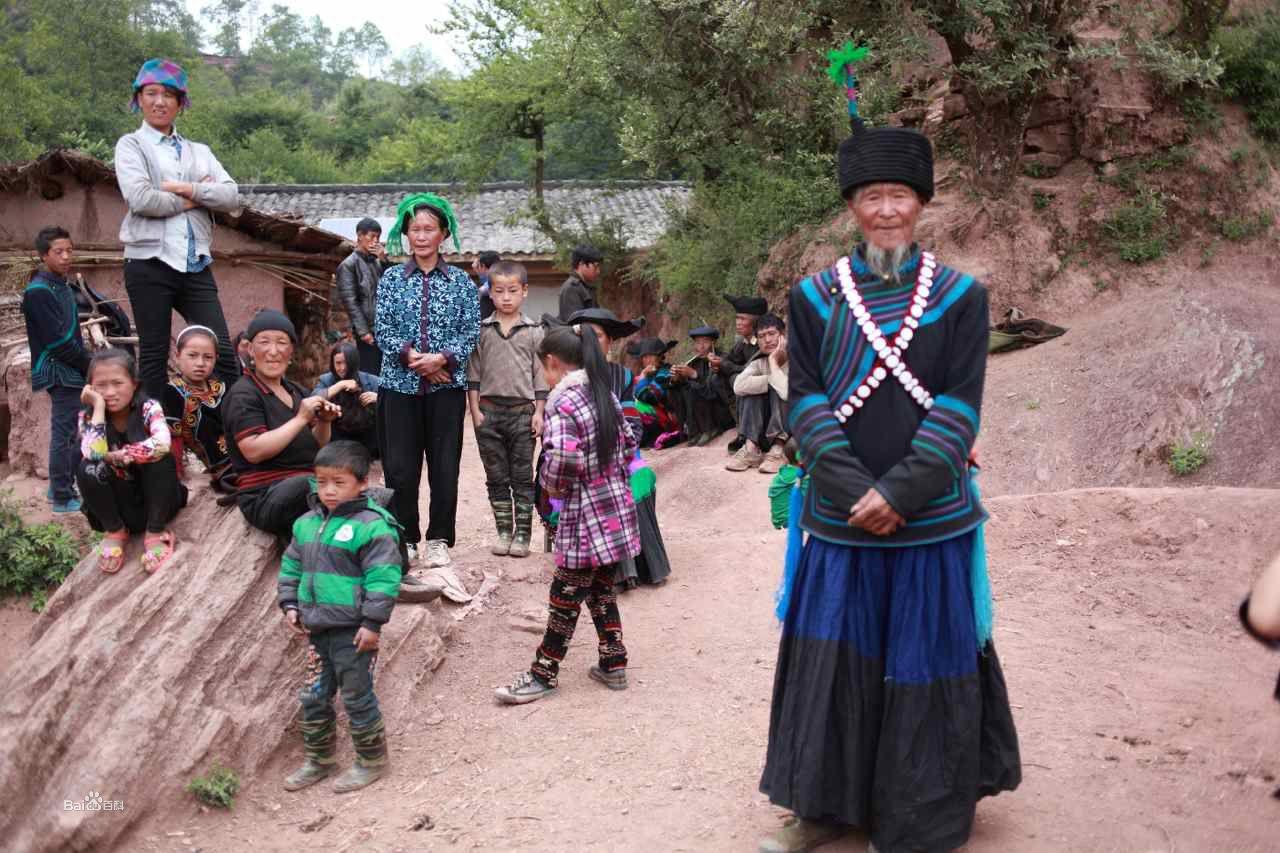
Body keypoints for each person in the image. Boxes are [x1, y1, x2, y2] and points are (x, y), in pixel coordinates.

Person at [757, 45, 1020, 853]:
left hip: (930, 514)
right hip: (840, 516)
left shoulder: (962, 297)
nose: (886, 210)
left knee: (924, 658)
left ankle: (921, 816)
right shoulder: (813, 297)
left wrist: (899, 491)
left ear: (921, 203)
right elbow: (805, 401)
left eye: (899, 195)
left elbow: (960, 407)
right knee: (833, 662)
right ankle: (823, 805)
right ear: (852, 206)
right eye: (871, 196)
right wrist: (850, 489)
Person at [495, 325, 639, 704]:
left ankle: (543, 673)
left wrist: (552, 486)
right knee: (601, 588)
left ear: (552, 362)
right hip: (614, 508)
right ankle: (614, 662)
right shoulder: (604, 394)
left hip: (584, 515)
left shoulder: (563, 403)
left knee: (565, 594)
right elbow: (630, 444)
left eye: (543, 368)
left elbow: (562, 457)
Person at [279, 441, 402, 794]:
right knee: (314, 695)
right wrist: (290, 603)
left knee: (356, 695)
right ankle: (320, 759)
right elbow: (291, 566)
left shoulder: (372, 526)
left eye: (339, 482)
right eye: (322, 482)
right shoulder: (306, 524)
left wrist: (372, 623)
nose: (329, 490)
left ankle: (372, 761)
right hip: (317, 629)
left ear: (362, 483)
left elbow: (383, 578)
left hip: (354, 633)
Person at [115, 59, 240, 401]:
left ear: (180, 103)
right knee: (154, 355)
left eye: (168, 95)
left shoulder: (199, 151)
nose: (160, 102)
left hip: (194, 262)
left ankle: (234, 426)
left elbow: (231, 196)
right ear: (138, 99)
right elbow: (142, 199)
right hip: (148, 262)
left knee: (222, 353)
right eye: (151, 93)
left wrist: (185, 189)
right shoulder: (131, 145)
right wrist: (197, 198)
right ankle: (157, 431)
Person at [374, 193, 480, 569]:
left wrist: (442, 360)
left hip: (446, 390)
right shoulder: (390, 279)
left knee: (444, 466)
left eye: (429, 229)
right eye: (414, 229)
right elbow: (383, 329)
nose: (421, 236)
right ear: (406, 234)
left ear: (443, 233)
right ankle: (405, 538)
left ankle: (438, 539)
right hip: (398, 388)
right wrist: (416, 360)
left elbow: (470, 331)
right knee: (399, 468)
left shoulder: (461, 282)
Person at [554, 308, 672, 589]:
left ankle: (644, 567)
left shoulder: (623, 376)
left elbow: (633, 424)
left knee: (638, 478)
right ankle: (615, 571)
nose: (590, 342)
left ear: (610, 341)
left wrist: (616, 453)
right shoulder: (566, 376)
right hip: (579, 459)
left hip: (621, 455)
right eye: (584, 336)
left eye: (597, 335)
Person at [222, 310, 340, 541]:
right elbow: (254, 451)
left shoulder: (295, 391)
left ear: (291, 351)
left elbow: (316, 444)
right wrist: (300, 419)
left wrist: (325, 421)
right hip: (265, 494)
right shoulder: (243, 394)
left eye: (282, 342)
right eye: (264, 342)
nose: (273, 351)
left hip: (305, 483)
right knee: (312, 487)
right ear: (250, 349)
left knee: (373, 494)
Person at [76, 348, 187, 574]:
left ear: (134, 384)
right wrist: (98, 407)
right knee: (88, 467)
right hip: (122, 506)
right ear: (91, 389)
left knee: (161, 459)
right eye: (101, 386)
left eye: (118, 383)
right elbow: (92, 453)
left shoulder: (149, 408)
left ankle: (155, 532)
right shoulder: (89, 416)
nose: (110, 392)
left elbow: (162, 443)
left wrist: (124, 454)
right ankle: (115, 531)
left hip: (158, 500)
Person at [466, 260, 547, 558]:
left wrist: (539, 412)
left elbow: (540, 374)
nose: (506, 297)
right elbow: (473, 373)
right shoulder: (482, 331)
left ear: (524, 291)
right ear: (490, 293)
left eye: (513, 290)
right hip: (489, 412)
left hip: (523, 413)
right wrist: (475, 410)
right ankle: (503, 532)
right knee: (496, 476)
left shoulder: (534, 331)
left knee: (522, 477)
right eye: (499, 291)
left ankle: (523, 534)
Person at [21, 226, 90, 513]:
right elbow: (58, 341)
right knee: (66, 434)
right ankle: (62, 496)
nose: (65, 257)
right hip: (57, 368)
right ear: (43, 255)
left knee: (74, 430)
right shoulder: (38, 291)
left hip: (69, 366)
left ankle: (58, 487)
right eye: (58, 252)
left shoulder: (61, 285)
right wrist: (89, 364)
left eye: (69, 251)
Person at [162, 325, 232, 489]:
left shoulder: (222, 387)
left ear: (216, 358)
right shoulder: (172, 392)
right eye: (192, 356)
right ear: (177, 356)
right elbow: (174, 440)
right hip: (215, 469)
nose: (200, 363)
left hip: (243, 458)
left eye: (208, 357)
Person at [728, 314, 789, 474]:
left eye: (772, 334)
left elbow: (786, 393)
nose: (767, 340)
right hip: (766, 429)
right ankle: (751, 449)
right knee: (752, 389)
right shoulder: (759, 362)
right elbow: (738, 386)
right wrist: (769, 378)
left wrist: (774, 364)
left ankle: (778, 450)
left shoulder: (798, 359)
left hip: (793, 429)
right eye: (761, 336)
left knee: (778, 387)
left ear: (783, 335)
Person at [335, 218, 389, 376]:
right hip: (368, 330)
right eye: (372, 236)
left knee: (386, 372)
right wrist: (363, 332)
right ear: (360, 236)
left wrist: (383, 260)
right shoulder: (348, 265)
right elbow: (350, 301)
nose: (375, 241)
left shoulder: (376, 262)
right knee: (370, 374)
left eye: (378, 237)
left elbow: (391, 286)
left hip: (384, 327)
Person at [668, 324, 736, 447]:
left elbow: (714, 391)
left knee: (695, 387)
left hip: (721, 411)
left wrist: (694, 375)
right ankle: (695, 431)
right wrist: (676, 379)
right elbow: (682, 388)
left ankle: (710, 428)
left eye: (705, 342)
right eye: (698, 342)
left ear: (714, 343)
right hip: (701, 416)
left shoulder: (722, 359)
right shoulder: (694, 362)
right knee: (684, 388)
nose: (701, 346)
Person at [313, 341, 380, 457]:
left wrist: (378, 398)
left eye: (346, 363)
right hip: (336, 441)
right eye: (338, 363)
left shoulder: (371, 381)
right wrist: (340, 385)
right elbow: (313, 400)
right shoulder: (326, 380)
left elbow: (394, 403)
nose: (342, 368)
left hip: (368, 440)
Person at [721, 294, 767, 453]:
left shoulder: (763, 342)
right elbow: (729, 359)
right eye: (737, 318)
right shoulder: (743, 342)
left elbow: (750, 368)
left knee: (738, 380)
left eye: (742, 319)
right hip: (748, 382)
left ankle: (748, 435)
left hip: (765, 390)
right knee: (718, 378)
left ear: (755, 322)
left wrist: (726, 366)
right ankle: (740, 427)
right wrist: (720, 364)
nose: (738, 323)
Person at [632, 338, 684, 448]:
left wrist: (643, 378)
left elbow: (650, 396)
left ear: (660, 357)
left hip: (670, 418)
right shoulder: (648, 375)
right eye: (645, 357)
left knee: (638, 404)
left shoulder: (666, 372)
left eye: (651, 356)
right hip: (657, 418)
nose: (647, 360)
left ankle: (657, 436)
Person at [556, 245, 603, 321]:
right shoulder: (571, 288)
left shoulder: (586, 287)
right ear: (582, 264)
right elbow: (575, 323)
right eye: (595, 267)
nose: (598, 271)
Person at [471, 250, 500, 320]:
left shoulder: (492, 282)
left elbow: (481, 291)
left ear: (483, 266)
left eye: (479, 265)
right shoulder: (499, 276)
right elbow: (483, 279)